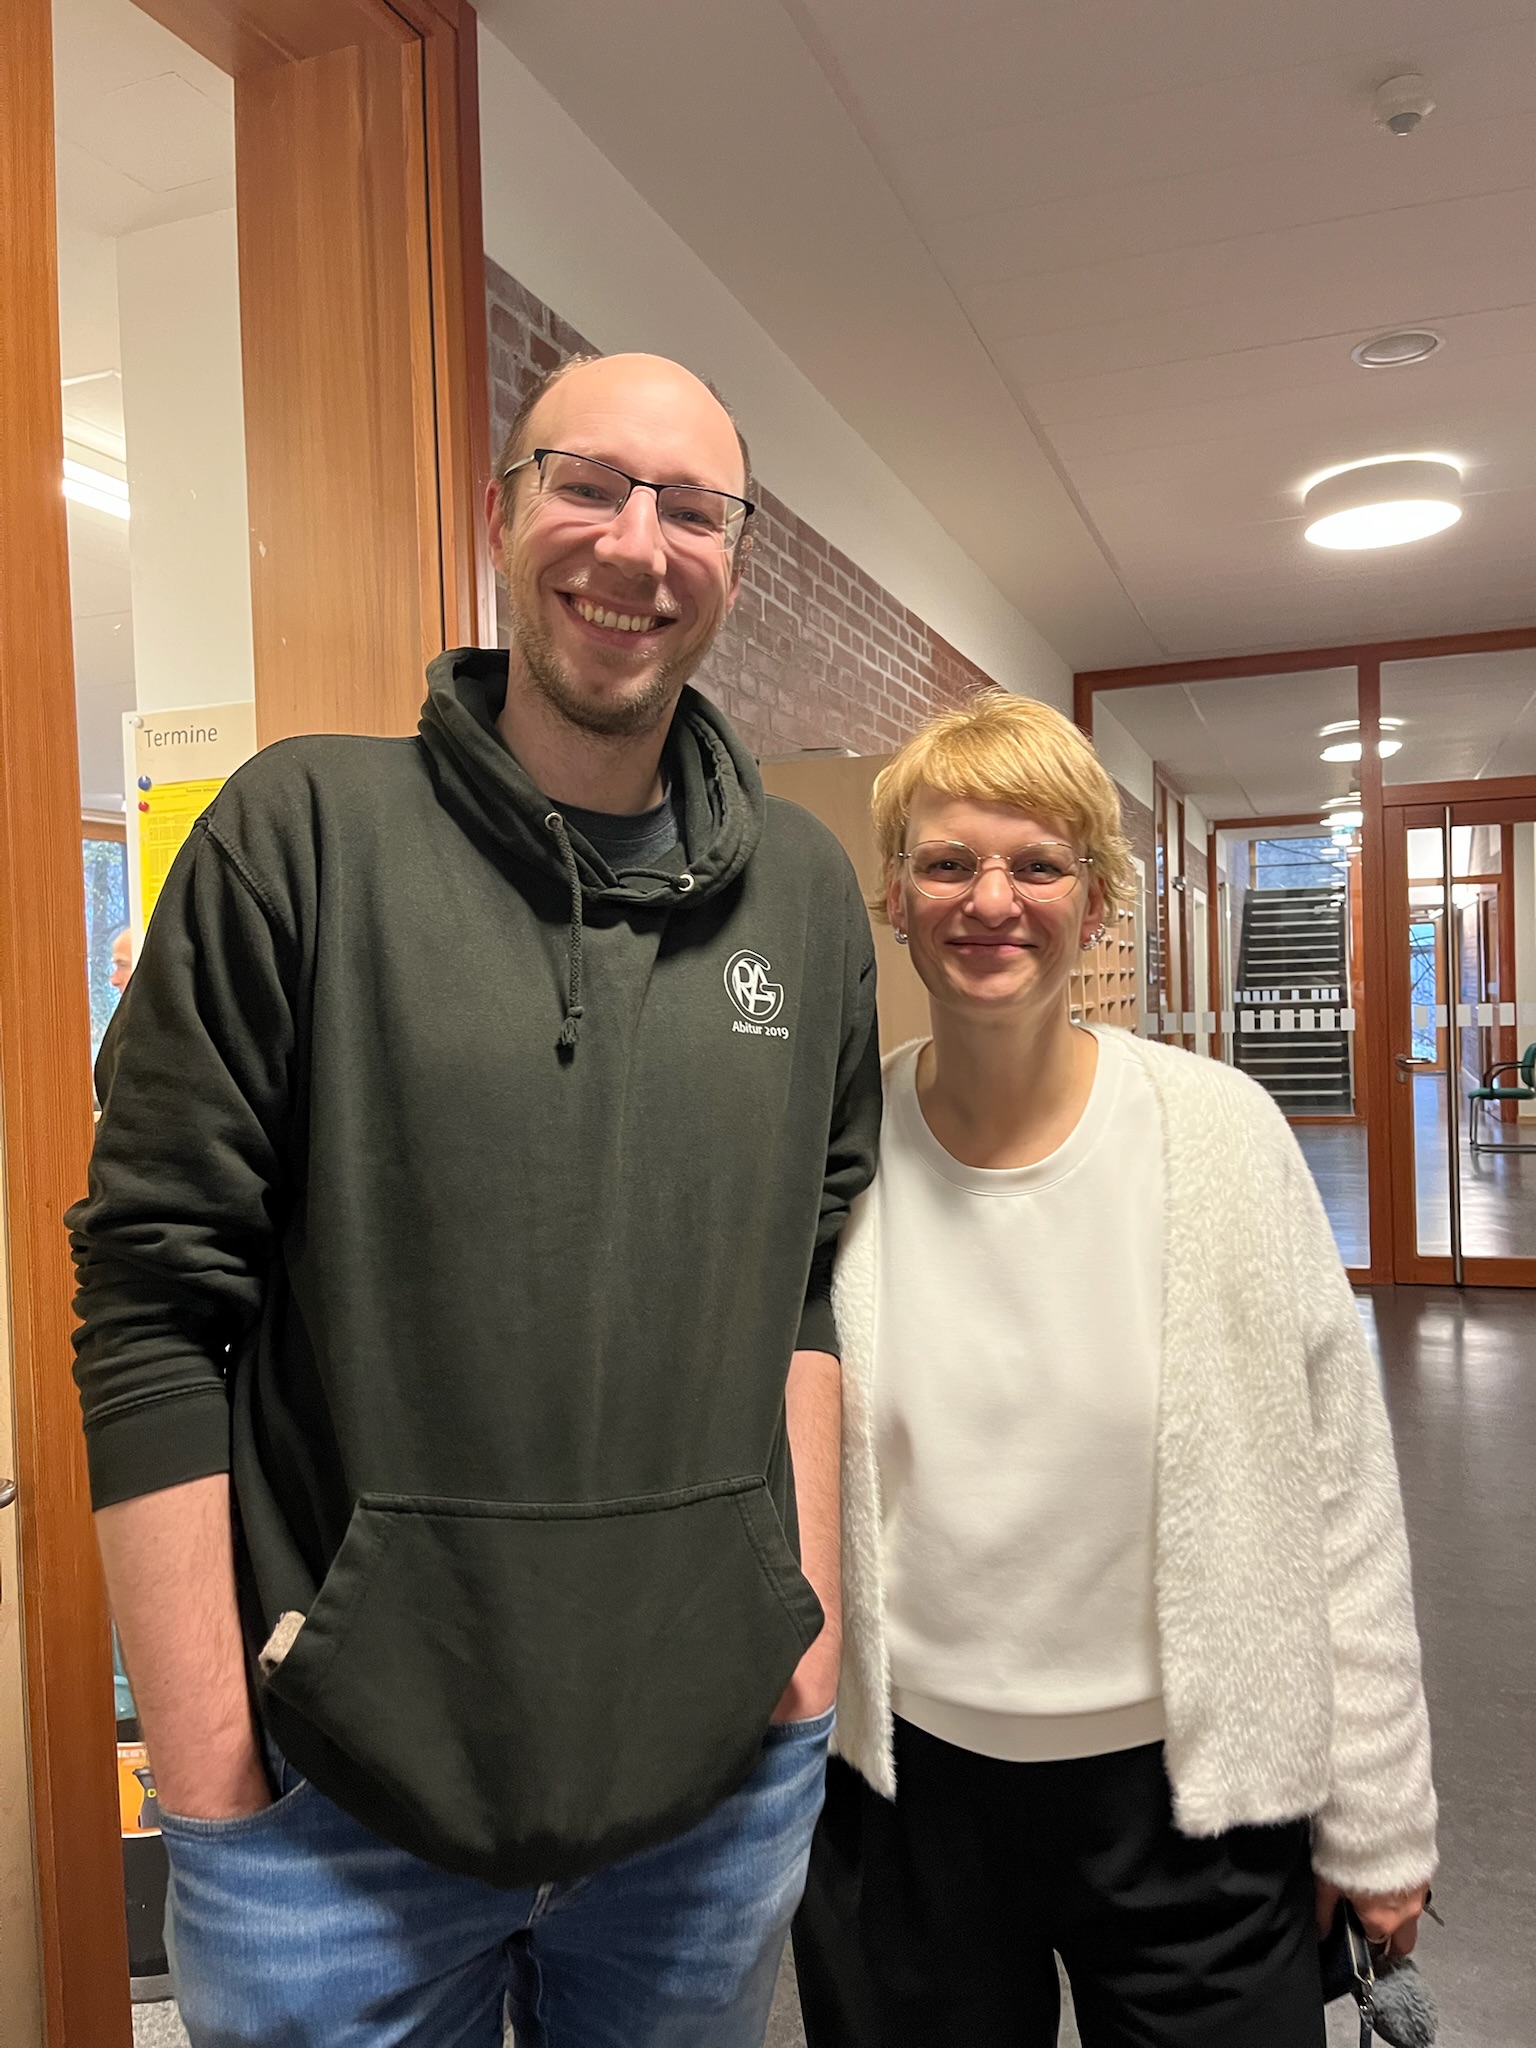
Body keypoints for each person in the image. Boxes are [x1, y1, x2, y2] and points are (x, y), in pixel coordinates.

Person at [69, 352, 881, 2048]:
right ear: (499, 512)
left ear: (736, 560)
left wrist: (802, 1654)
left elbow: (804, 1282)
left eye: (694, 509)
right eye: (588, 485)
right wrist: (207, 1779)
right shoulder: (302, 834)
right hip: (332, 1831)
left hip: (709, 1809)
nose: (636, 546)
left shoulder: (806, 898)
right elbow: (149, 1308)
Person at [793, 692, 1436, 2048]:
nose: (992, 901)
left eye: (1038, 863)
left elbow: (1343, 1495)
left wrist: (1378, 1819)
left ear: (1095, 903)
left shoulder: (1221, 1137)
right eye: (948, 862)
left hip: (1195, 1806)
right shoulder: (840, 1153)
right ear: (895, 898)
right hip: (907, 1805)